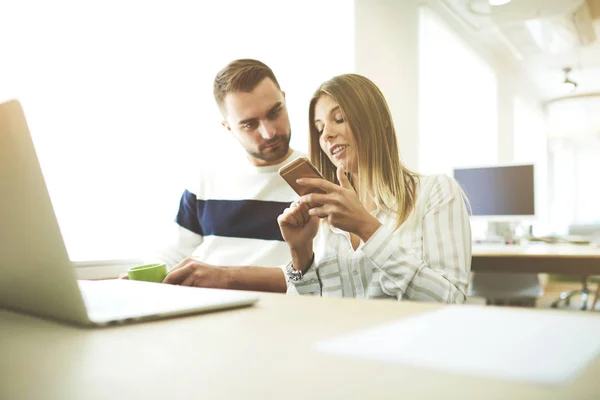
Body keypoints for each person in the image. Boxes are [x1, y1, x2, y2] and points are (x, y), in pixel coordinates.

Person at [277, 74, 472, 302]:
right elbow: (306, 314)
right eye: (319, 129)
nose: (327, 135)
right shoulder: (322, 218)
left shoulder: (435, 191)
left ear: (379, 120)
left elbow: (451, 301)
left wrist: (366, 228)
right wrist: (300, 253)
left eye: (339, 119)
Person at [152, 59, 304, 292]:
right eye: (249, 124)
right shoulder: (205, 180)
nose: (269, 132)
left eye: (275, 112)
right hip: (210, 312)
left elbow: (327, 273)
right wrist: (137, 283)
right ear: (228, 127)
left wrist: (227, 277)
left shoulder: (326, 176)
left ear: (284, 99)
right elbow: (172, 256)